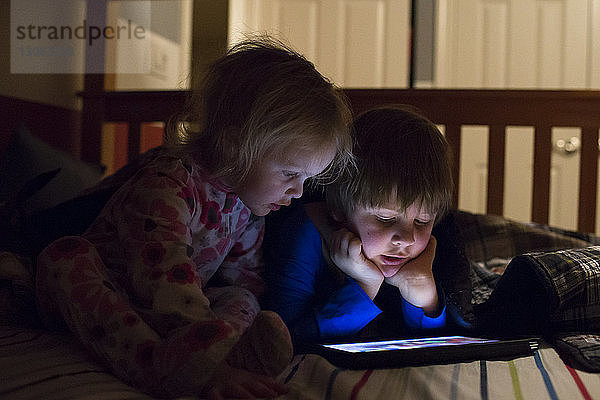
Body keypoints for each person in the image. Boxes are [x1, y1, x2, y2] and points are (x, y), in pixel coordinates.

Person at [35, 37, 353, 399]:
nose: (298, 192)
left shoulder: (248, 203)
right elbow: (163, 276)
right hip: (118, 288)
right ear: (236, 147)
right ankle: (159, 365)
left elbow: (245, 276)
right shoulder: (168, 182)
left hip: (173, 305)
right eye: (289, 174)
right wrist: (206, 354)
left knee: (240, 297)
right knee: (66, 257)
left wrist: (241, 328)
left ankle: (232, 353)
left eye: (306, 180)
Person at [263, 106, 473, 343]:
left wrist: (422, 290)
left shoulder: (427, 248)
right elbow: (284, 338)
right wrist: (366, 284)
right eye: (386, 219)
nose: (407, 238)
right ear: (339, 209)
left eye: (422, 221)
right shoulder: (303, 231)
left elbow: (444, 345)